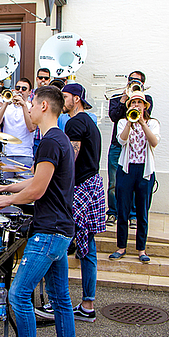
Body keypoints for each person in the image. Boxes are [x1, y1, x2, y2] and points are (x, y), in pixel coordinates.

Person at [0, 85, 77, 337]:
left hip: (48, 232)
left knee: (19, 295)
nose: (29, 107)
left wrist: (9, 201)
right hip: (60, 230)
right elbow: (36, 180)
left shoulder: (50, 142)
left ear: (44, 107)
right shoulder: (58, 140)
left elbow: (37, 190)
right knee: (61, 299)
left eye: (32, 103)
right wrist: (5, 188)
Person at [62, 84, 107, 322]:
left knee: (58, 242)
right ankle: (87, 304)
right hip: (92, 185)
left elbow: (71, 157)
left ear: (76, 99)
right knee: (87, 248)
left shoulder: (75, 122)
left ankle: (55, 301)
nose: (63, 100)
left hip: (81, 188)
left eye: (65, 97)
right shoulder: (90, 121)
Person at [110, 91, 160, 263]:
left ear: (145, 106)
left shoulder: (153, 123)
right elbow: (122, 140)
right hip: (126, 169)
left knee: (142, 211)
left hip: (145, 171)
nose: (136, 105)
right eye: (133, 103)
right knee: (122, 209)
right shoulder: (123, 121)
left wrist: (142, 123)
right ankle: (121, 247)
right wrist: (130, 124)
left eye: (139, 103)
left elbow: (154, 142)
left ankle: (141, 249)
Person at [107, 72, 154, 228]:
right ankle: (113, 213)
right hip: (117, 144)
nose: (134, 83)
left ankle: (133, 215)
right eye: (131, 80)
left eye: (138, 81)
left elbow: (147, 115)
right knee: (114, 182)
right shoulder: (117, 98)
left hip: (136, 148)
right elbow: (114, 116)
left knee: (135, 184)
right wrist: (124, 99)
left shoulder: (147, 100)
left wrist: (137, 99)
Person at [0, 77, 36, 171]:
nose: (20, 91)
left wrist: (23, 105)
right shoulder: (7, 107)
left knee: (24, 185)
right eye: (18, 88)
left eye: (24, 89)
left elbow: (31, 127)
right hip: (7, 154)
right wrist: (6, 103)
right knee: (6, 184)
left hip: (25, 154)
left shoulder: (31, 107)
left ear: (30, 92)